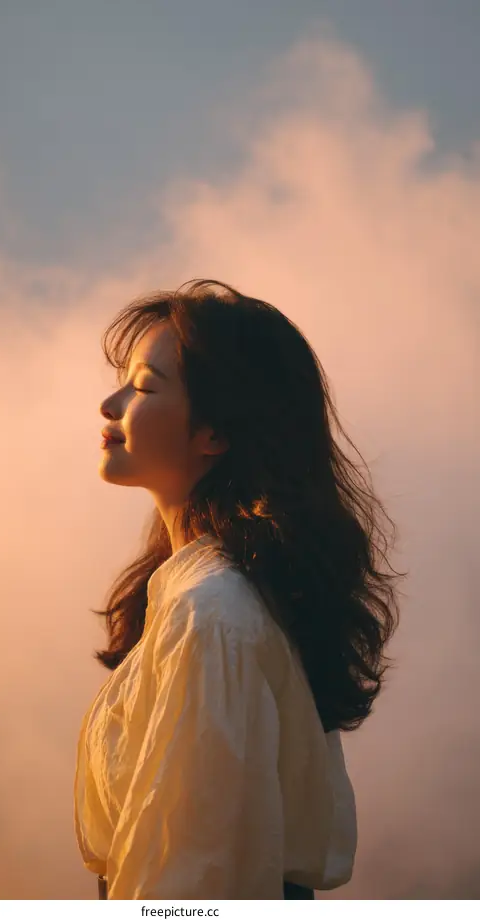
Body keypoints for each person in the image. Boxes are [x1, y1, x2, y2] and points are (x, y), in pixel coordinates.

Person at [74, 279, 405, 899]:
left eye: (144, 386)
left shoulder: (213, 612)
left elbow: (198, 878)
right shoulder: (214, 591)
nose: (110, 404)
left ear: (215, 434)